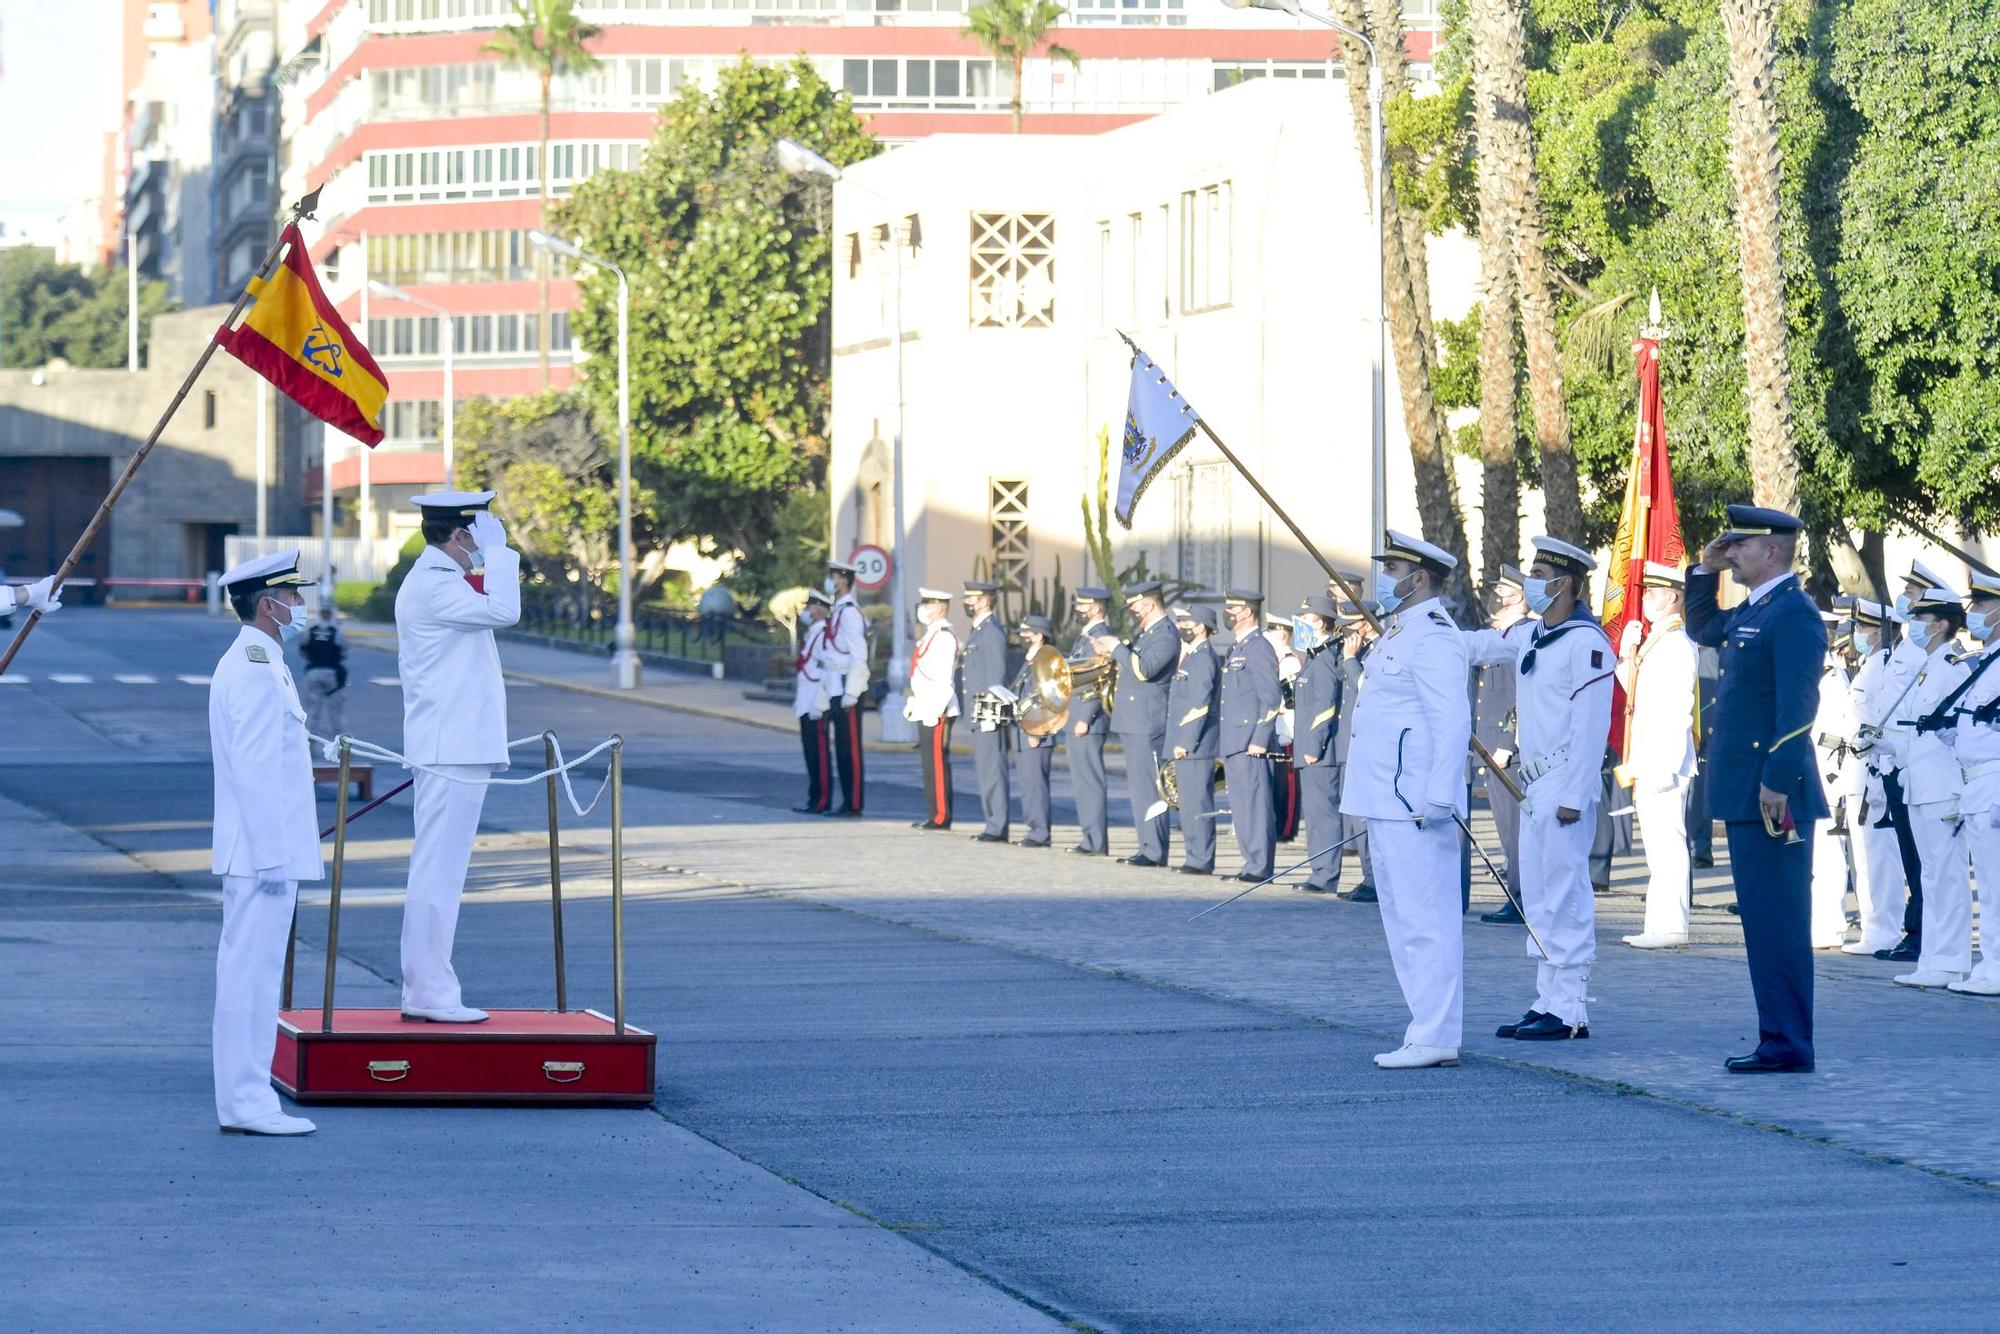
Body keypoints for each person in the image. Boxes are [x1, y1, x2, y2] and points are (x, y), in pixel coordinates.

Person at [1685, 505, 1827, 1074]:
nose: (1732, 551)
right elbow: (1703, 628)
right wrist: (1704, 569)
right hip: (1750, 792)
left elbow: (1798, 709)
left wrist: (1775, 781)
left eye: (1741, 545)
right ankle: (1778, 1038)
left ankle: (1788, 1044)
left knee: (1779, 923)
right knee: (1763, 922)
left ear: (1772, 551)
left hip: (1773, 795)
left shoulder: (1792, 613)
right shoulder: (1757, 609)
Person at [1464, 537, 1615, 1042]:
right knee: (1540, 896)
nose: (1531, 580)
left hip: (1564, 782)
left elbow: (1593, 728)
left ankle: (1570, 1009)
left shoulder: (1586, 642)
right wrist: (1425, 634)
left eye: (1540, 572)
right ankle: (1547, 1000)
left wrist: (1575, 795)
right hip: (1533, 784)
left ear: (1566, 584)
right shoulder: (1532, 634)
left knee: (1566, 894)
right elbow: (1482, 645)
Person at [1343, 532, 1472, 1069]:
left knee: (1427, 919)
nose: (1384, 577)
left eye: (1392, 568)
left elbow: (1452, 720)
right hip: (1386, 799)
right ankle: (1426, 1027)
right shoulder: (1400, 633)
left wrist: (1440, 794)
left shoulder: (1434, 637)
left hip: (1416, 803)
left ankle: (1437, 1032)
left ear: (1419, 578)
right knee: (1402, 919)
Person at [396, 490, 522, 1025]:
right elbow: (505, 611)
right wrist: (501, 555)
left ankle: (428, 987)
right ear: (461, 534)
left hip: (455, 745)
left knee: (442, 873)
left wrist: (491, 557)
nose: (485, 541)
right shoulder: (434, 584)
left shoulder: (439, 581)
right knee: (438, 875)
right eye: (480, 532)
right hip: (450, 747)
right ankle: (429, 992)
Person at [209, 549, 322, 1136]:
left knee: (253, 976)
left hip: (260, 852)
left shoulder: (263, 659)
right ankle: (246, 1101)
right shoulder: (254, 664)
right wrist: (274, 856)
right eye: (293, 596)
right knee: (250, 979)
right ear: (268, 604)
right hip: (260, 857)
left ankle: (247, 1098)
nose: (301, 605)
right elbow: (254, 769)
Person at [1859, 558, 1954, 959]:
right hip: (1896, 766)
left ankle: (1925, 940)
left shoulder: (1930, 658)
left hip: (1923, 772)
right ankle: (1918, 937)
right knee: (1917, 863)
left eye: (1916, 603)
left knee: (1926, 865)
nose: (1908, 609)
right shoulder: (1906, 653)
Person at [1893, 585, 1973, 988]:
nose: (1914, 626)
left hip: (1943, 785)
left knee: (1948, 874)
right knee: (1930, 875)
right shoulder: (1929, 666)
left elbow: (1958, 732)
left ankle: (1952, 959)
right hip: (1919, 783)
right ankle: (1933, 959)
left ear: (1942, 625)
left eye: (1921, 620)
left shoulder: (1953, 667)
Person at [1616, 562, 1699, 949]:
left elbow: (1679, 708)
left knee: (1668, 844)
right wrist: (1627, 652)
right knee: (1657, 846)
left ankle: (1671, 926)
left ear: (1673, 598)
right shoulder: (1656, 643)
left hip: (1665, 760)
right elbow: (1637, 694)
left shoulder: (1678, 644)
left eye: (1652, 593)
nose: (1645, 598)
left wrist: (1666, 763)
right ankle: (1659, 924)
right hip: (1649, 758)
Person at [1095, 582, 1178, 868]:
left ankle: (1154, 850)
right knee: (1139, 789)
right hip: (1134, 720)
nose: (1131, 609)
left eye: (1135, 604)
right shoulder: (1149, 634)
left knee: (1150, 788)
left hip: (1148, 721)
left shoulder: (1165, 634)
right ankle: (1146, 845)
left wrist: (1117, 646)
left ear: (1150, 604)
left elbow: (1145, 670)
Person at [1946, 571, 2000, 995]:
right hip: (1976, 785)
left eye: (1981, 606)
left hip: (1994, 782)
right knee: (1988, 880)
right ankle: (1990, 963)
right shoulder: (1988, 664)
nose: (1974, 614)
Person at [1837, 597, 1900, 955]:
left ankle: (1884, 928)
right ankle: (1873, 926)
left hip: (1873, 771)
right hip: (1856, 770)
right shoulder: (1869, 665)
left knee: (1879, 857)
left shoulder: (1884, 667)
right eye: (1858, 626)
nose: (1858, 633)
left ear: (1883, 632)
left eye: (1865, 627)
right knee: (1863, 856)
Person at [1474, 567, 1532, 923]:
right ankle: (1516, 894)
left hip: (1505, 751)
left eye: (1505, 590)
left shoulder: (1522, 635)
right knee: (1507, 829)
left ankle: (1522, 899)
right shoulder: (1502, 635)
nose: (1497, 596)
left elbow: (1519, 696)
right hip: (1491, 745)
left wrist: (1507, 742)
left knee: (1515, 832)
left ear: (1521, 596)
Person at [1806, 609, 1863, 950]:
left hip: (1827, 774)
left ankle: (1830, 925)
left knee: (1828, 856)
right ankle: (1820, 921)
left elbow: (1837, 734)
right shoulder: (1815, 673)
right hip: (1810, 772)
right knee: (1815, 856)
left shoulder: (1831, 678)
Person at [1218, 590, 1283, 882]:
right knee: (1242, 807)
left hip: (1250, 742)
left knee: (1255, 807)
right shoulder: (1238, 647)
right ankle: (1250, 863)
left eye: (1232, 608)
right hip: (1235, 740)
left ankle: (1260, 866)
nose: (1227, 612)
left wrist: (1260, 736)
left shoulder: (1258, 647)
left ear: (1246, 612)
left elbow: (1271, 698)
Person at [1291, 596, 1346, 893]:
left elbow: (1326, 705)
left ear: (1324, 622)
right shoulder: (1314, 654)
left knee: (1322, 813)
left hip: (1319, 751)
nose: (1303, 623)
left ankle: (1325, 874)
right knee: (1313, 814)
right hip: (1308, 748)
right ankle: (1319, 870)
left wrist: (1314, 744)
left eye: (1309, 619)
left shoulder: (1325, 655)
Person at [1167, 603, 1222, 875]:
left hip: (1196, 746)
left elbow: (1199, 705)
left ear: (1200, 627)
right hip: (1188, 744)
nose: (1181, 627)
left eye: (1186, 622)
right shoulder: (1192, 656)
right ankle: (1194, 855)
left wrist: (1185, 741)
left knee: (1197, 802)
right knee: (1188, 804)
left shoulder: (1203, 658)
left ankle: (1201, 858)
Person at [1333, 598, 1379, 901]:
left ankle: (1376, 880)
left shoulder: (1379, 650)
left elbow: (1369, 690)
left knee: (1369, 817)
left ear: (1364, 623)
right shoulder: (1359, 650)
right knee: (1358, 815)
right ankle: (1368, 877)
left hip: (1371, 745)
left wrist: (1350, 660)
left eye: (1351, 626)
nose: (1347, 634)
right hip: (1352, 741)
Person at [958, 580, 1011, 844]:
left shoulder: (991, 632)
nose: (967, 602)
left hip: (987, 712)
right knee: (985, 770)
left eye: (972, 598)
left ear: (985, 600)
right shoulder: (979, 630)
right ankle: (992, 820)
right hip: (978, 712)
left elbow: (996, 676)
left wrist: (990, 713)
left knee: (993, 770)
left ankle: (997, 825)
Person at [905, 588, 960, 831]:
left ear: (939, 607)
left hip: (937, 708)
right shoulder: (932, 635)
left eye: (926, 604)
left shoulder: (945, 637)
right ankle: (934, 813)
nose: (922, 609)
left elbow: (944, 678)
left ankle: (940, 815)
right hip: (926, 705)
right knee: (929, 762)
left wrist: (935, 708)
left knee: (936, 763)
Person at [1066, 588, 1114, 857]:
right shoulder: (1087, 636)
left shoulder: (1100, 636)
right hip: (1077, 718)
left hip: (1088, 722)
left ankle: (1096, 841)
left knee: (1090, 781)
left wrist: (1085, 717)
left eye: (1082, 605)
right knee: (1082, 781)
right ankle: (1090, 837)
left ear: (1095, 608)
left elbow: (1100, 679)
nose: (1077, 609)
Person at [819, 560, 869, 818]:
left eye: (834, 576)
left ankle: (854, 801)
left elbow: (859, 654)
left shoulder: (849, 612)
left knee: (850, 748)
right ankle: (847, 799)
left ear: (844, 580)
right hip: (836, 685)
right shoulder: (839, 610)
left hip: (847, 686)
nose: (830, 581)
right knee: (841, 747)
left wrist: (853, 690)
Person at [1010, 614, 1056, 848]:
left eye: (1027, 633)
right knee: (1027, 784)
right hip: (1022, 729)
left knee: (1036, 784)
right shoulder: (1032, 658)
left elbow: (1049, 699)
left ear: (1039, 635)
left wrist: (1037, 731)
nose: (1023, 637)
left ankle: (1040, 832)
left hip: (1035, 732)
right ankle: (1033, 828)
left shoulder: (1046, 660)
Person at [792, 589, 834, 815]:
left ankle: (822, 799)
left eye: (811, 606)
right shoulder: (815, 632)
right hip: (806, 699)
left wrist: (820, 700)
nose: (807, 611)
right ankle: (814, 797)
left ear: (820, 609)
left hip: (816, 700)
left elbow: (824, 669)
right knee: (810, 752)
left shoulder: (824, 633)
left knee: (818, 753)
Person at [1267, 615, 1303, 844]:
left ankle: (1287, 825)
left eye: (1271, 631)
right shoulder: (1275, 660)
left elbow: (1292, 700)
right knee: (1278, 781)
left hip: (1287, 726)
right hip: (1276, 725)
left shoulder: (1290, 662)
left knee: (1288, 782)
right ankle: (1279, 823)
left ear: (1281, 634)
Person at [299, 604, 348, 741]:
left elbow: (303, 650)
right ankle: (342, 744)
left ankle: (309, 741)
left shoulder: (310, 631)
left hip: (313, 672)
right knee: (336, 711)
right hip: (332, 674)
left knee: (312, 710)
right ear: (331, 615)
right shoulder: (337, 632)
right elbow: (344, 651)